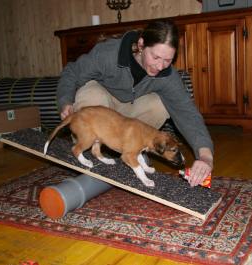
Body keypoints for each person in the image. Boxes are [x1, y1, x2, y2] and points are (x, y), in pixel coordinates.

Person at [56, 19, 213, 187]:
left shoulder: (167, 75)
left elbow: (187, 113)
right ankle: (86, 148)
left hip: (128, 118)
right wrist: (65, 101)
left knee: (159, 106)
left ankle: (133, 150)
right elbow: (72, 72)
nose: (160, 66)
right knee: (92, 97)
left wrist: (205, 157)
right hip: (102, 105)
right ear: (141, 44)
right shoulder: (108, 53)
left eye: (168, 60)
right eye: (156, 57)